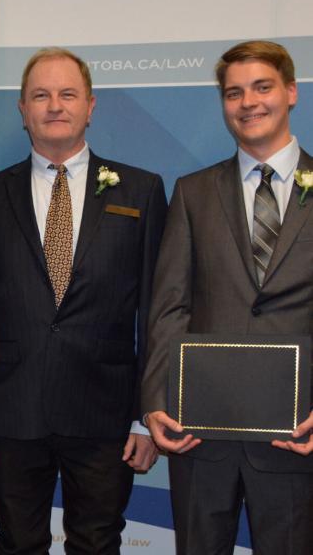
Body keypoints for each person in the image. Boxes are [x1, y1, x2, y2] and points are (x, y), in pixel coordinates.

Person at [0, 47, 167, 554]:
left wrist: (147, 414)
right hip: (13, 417)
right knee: (19, 545)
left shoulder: (141, 190)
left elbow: (158, 314)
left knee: (97, 544)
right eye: (40, 95)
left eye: (67, 94)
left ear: (90, 106)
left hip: (107, 417)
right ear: (22, 110)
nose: (54, 105)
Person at [142, 40, 313, 554]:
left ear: (290, 92)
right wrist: (155, 403)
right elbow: (170, 305)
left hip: (296, 436)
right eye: (234, 93)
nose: (248, 103)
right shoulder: (193, 192)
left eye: (262, 87)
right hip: (200, 436)